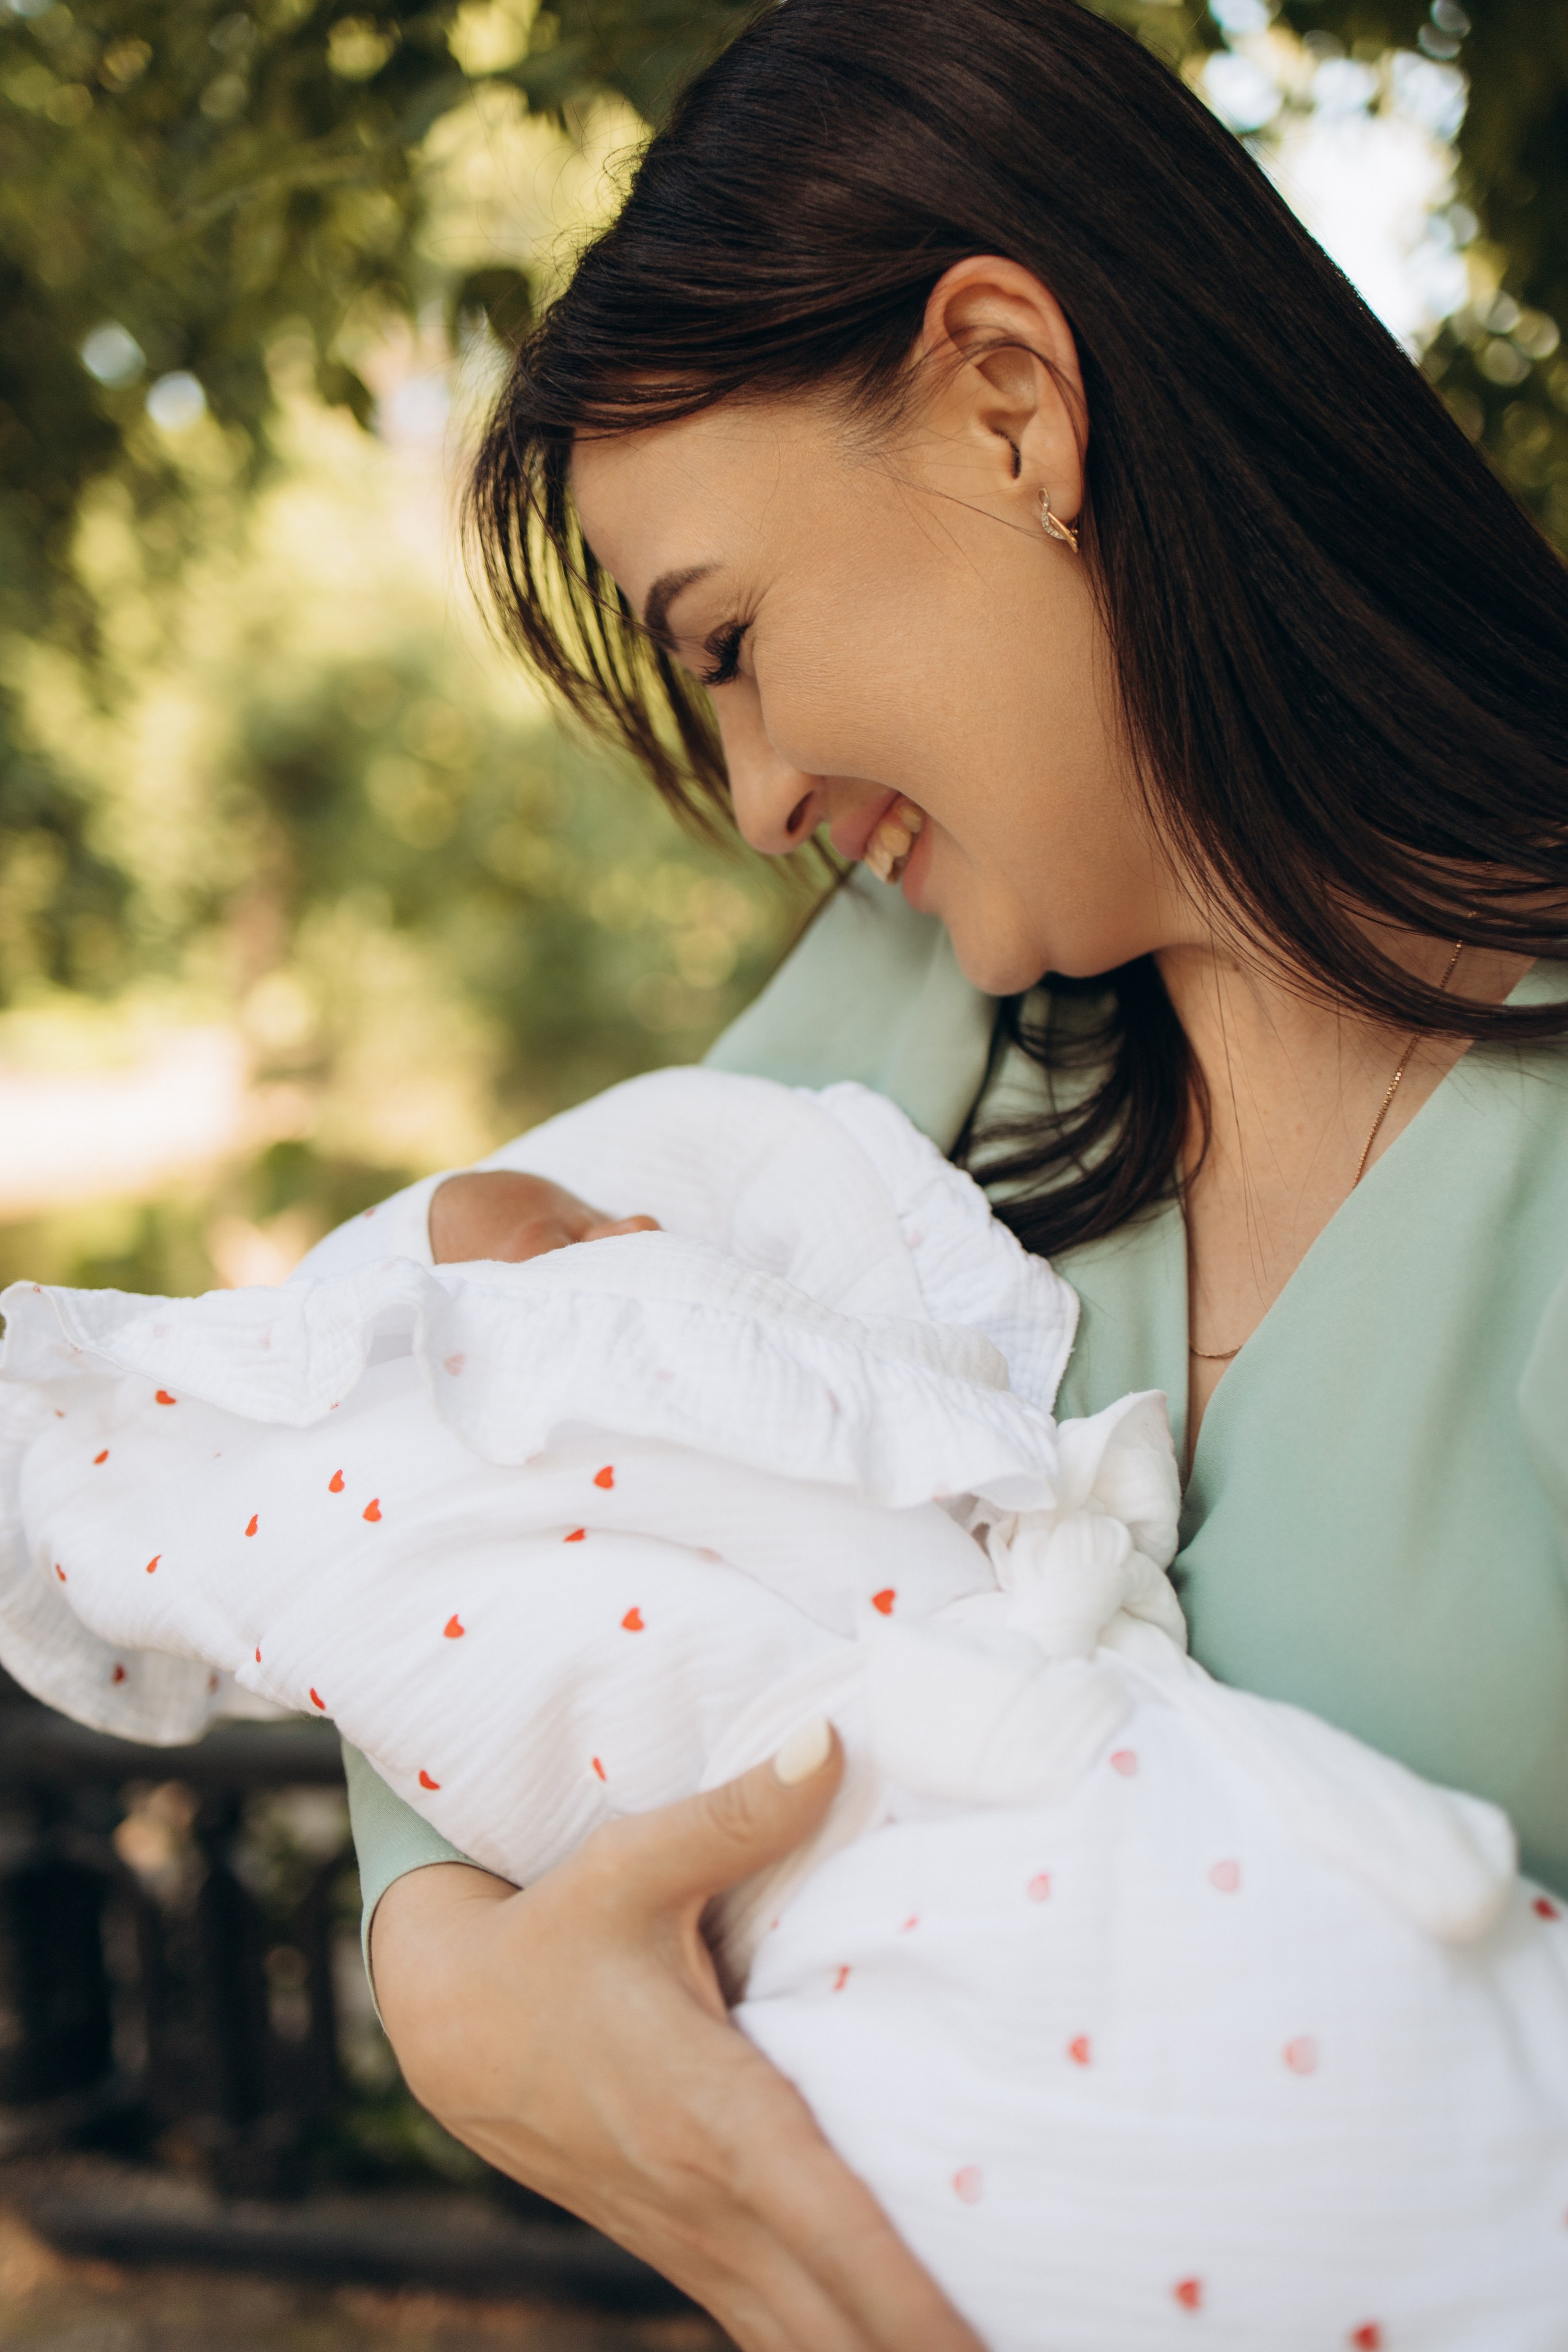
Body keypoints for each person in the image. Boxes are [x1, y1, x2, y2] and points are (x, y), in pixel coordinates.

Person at [356, 1, 1568, 2343]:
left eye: (730, 644)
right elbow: (465, 1475)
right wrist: (470, 2011)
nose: (753, 794)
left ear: (1012, 398)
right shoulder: (925, 1028)